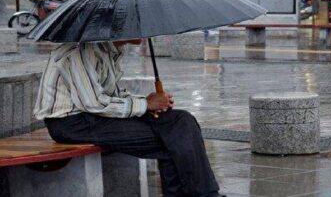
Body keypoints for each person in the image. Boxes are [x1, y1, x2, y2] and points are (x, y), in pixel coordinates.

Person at [34, 40, 224, 197]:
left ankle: (206, 193)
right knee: (170, 140)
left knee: (181, 120)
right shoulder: (79, 51)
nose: (142, 30)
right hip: (72, 123)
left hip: (96, 116)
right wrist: (145, 105)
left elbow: (112, 94)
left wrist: (148, 103)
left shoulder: (109, 49)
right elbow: (94, 103)